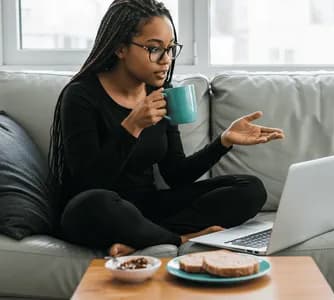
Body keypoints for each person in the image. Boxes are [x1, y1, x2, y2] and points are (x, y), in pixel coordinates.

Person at [48, 0, 285, 257]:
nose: (166, 60)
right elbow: (87, 182)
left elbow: (176, 174)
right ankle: (178, 237)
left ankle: (144, 238)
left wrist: (224, 141)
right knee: (95, 203)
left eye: (171, 49)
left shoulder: (161, 93)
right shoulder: (81, 96)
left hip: (147, 207)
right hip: (99, 210)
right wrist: (132, 126)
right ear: (120, 49)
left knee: (249, 189)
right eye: (154, 49)